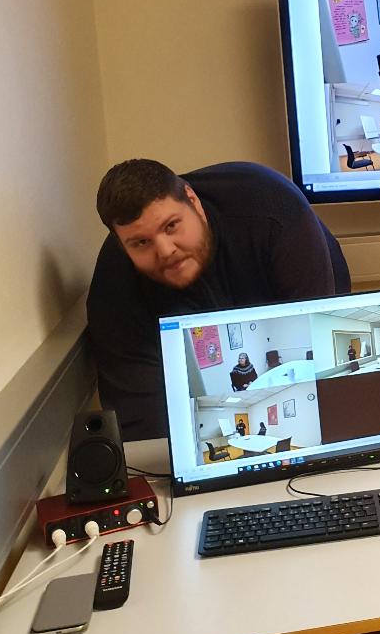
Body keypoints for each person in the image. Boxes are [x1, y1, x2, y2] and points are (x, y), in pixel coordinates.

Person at [87, 159, 350, 440]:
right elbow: (141, 422)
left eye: (171, 226)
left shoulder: (273, 212)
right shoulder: (114, 289)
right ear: (122, 245)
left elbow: (319, 341)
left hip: (288, 269)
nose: (165, 251)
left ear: (193, 201)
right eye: (141, 242)